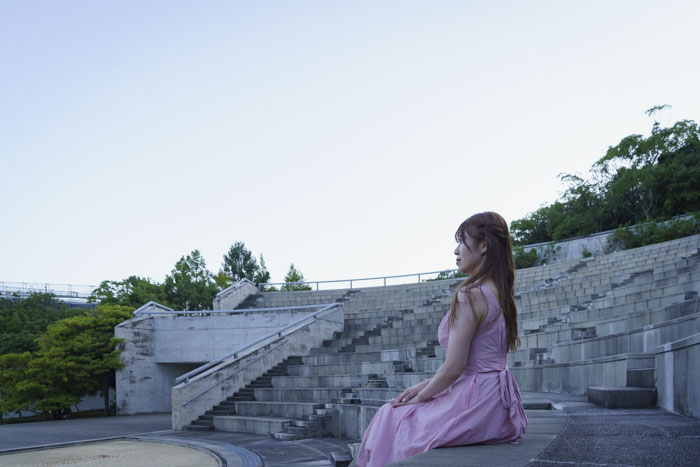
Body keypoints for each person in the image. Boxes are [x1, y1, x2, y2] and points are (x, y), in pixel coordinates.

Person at [355, 212, 527, 467]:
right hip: (498, 405)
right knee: (400, 411)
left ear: (483, 246)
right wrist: (425, 385)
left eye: (462, 242)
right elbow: (473, 364)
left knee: (390, 414)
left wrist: (421, 397)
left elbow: (455, 367)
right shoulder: (501, 291)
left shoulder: (471, 294)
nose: (456, 251)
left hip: (476, 402)